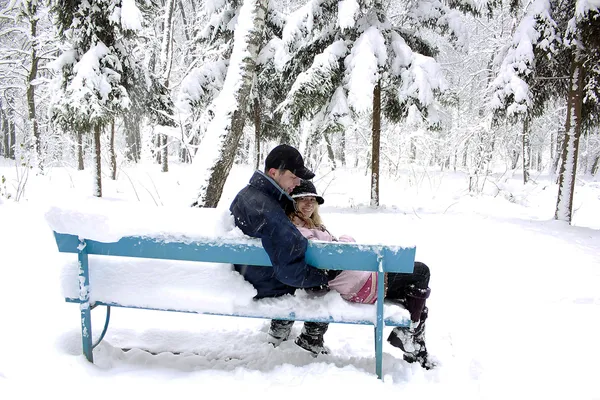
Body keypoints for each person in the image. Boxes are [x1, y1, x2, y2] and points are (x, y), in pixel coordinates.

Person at [289, 180, 436, 369]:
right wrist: (344, 242)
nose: (309, 203)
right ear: (293, 202)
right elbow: (327, 258)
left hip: (361, 279)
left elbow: (333, 254)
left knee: (415, 293)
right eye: (302, 199)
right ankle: (410, 337)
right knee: (421, 271)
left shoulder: (310, 227)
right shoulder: (301, 231)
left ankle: (412, 339)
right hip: (362, 285)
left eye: (312, 199)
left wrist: (341, 243)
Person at [229, 144, 330, 356]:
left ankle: (282, 330)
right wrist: (327, 276)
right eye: (294, 177)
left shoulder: (249, 195)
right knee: (321, 283)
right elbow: (290, 272)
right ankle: (311, 339)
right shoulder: (267, 210)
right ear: (274, 172)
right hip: (263, 284)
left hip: (247, 271)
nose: (298, 183)